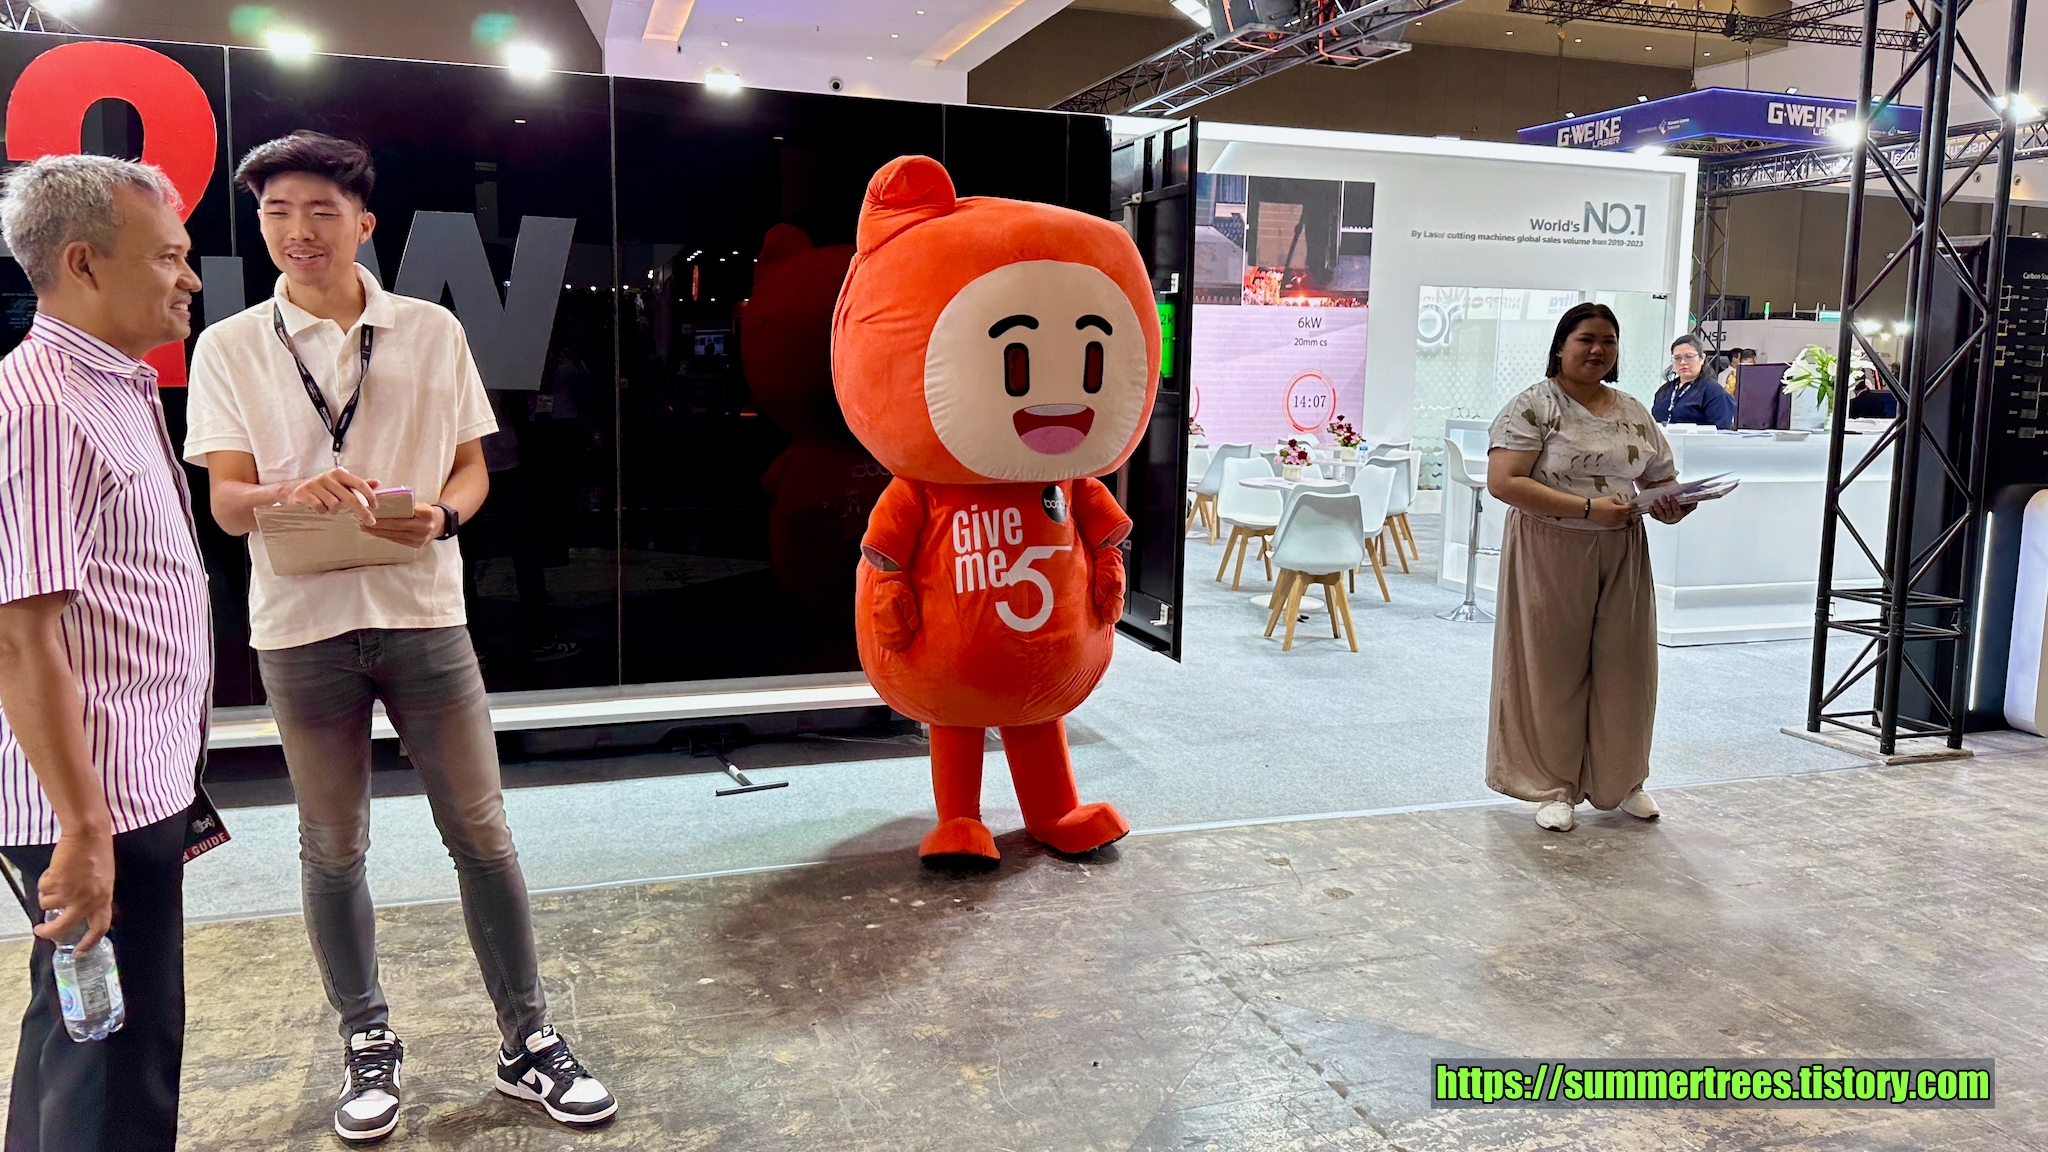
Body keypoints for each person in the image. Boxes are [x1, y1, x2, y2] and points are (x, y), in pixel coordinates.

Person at [183, 132, 615, 1142]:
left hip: (424, 614)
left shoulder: (429, 329)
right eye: (277, 212)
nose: (298, 230)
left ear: (363, 223)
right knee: (332, 846)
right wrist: (292, 491)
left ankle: (528, 1041)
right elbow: (228, 505)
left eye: (320, 211)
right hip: (301, 630)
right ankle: (366, 1042)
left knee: (481, 833)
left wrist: (444, 516)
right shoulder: (230, 345)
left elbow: (473, 468)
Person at [0, 155, 211, 1151]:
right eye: (167, 256)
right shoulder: (44, 405)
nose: (189, 276)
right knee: (114, 1069)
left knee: (81, 1031)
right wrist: (83, 832)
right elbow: (18, 637)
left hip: (132, 781)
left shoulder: (114, 385)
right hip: (94, 801)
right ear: (83, 264)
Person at [1484, 302, 1692, 832]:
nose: (1598, 350)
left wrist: (1671, 503)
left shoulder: (1633, 409)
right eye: (1586, 339)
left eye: (1608, 340)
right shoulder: (1534, 405)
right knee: (1550, 667)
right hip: (1550, 545)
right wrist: (1585, 508)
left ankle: (1622, 781)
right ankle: (1552, 786)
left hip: (1622, 547)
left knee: (1627, 667)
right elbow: (1504, 482)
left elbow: (1660, 478)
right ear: (1561, 346)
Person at [1651, 335, 1735, 429]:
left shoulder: (1714, 392)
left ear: (1702, 358)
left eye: (1689, 357)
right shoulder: (1664, 391)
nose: (1683, 362)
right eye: (1677, 358)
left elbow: (1720, 430)